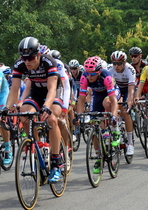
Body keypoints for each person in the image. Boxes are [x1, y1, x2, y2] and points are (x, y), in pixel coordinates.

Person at [5, 36, 63, 183]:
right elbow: (14, 90)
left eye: (30, 58)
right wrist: (6, 108)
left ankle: (56, 163)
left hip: (53, 92)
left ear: (38, 55)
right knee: (24, 115)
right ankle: (36, 149)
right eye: (24, 58)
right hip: (36, 93)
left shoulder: (49, 62)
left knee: (51, 119)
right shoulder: (20, 64)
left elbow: (51, 89)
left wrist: (46, 107)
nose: (27, 61)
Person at [77, 56, 120, 173]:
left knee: (106, 103)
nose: (89, 76)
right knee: (93, 125)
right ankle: (98, 157)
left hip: (111, 93)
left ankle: (115, 131)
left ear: (99, 71)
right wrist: (79, 116)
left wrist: (114, 116)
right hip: (97, 94)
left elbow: (113, 101)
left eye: (92, 74)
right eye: (87, 73)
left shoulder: (106, 76)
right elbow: (81, 99)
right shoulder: (84, 76)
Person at [108, 51, 136, 155]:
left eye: (119, 64)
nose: (116, 66)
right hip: (117, 88)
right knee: (114, 106)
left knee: (125, 111)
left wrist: (129, 103)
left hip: (128, 88)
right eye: (114, 63)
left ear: (124, 63)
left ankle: (130, 143)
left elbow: (131, 90)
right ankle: (117, 126)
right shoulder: (109, 69)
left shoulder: (130, 69)